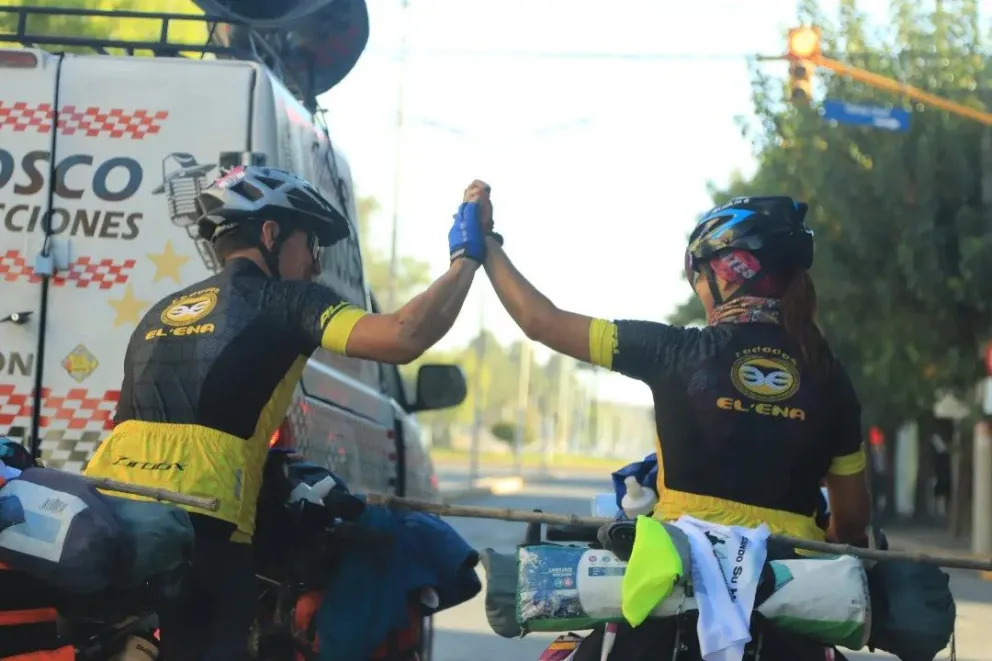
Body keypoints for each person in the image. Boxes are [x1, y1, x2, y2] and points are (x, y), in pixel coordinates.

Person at [83, 168, 490, 660]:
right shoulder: (287, 301)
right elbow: (404, 335)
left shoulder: (163, 311)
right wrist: (466, 259)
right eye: (311, 244)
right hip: (207, 532)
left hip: (113, 521)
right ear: (271, 233)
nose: (316, 265)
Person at [477, 191, 872, 658]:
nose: (699, 290)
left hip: (670, 589)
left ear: (727, 272)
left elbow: (540, 321)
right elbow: (851, 523)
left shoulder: (674, 351)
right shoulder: (830, 377)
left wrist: (485, 242)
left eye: (698, 276)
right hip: (787, 599)